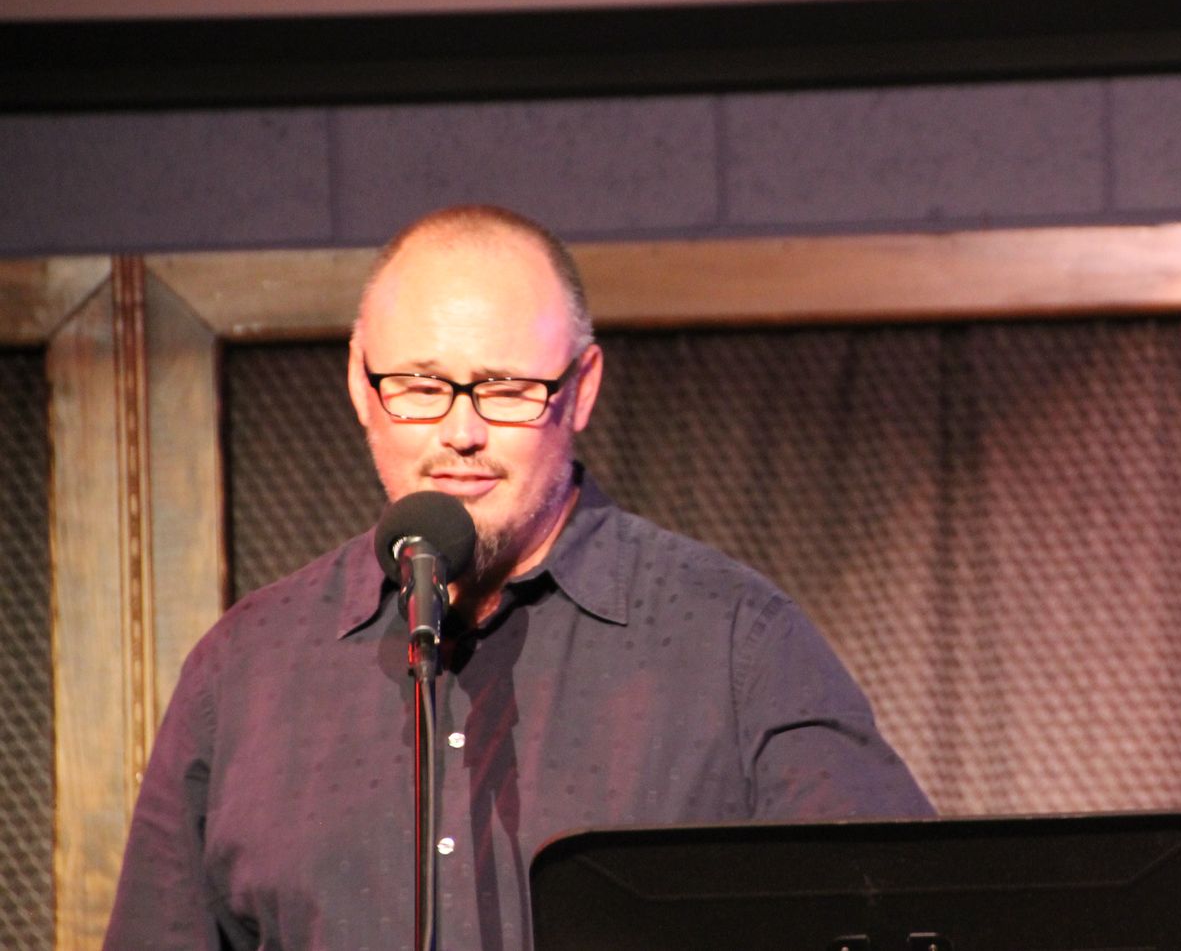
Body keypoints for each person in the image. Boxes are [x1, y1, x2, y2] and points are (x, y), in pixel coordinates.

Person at [104, 205, 933, 949]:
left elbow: (901, 915)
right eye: (420, 386)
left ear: (582, 389)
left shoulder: (735, 645)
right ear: (361, 383)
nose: (461, 430)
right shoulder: (243, 672)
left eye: (504, 389)